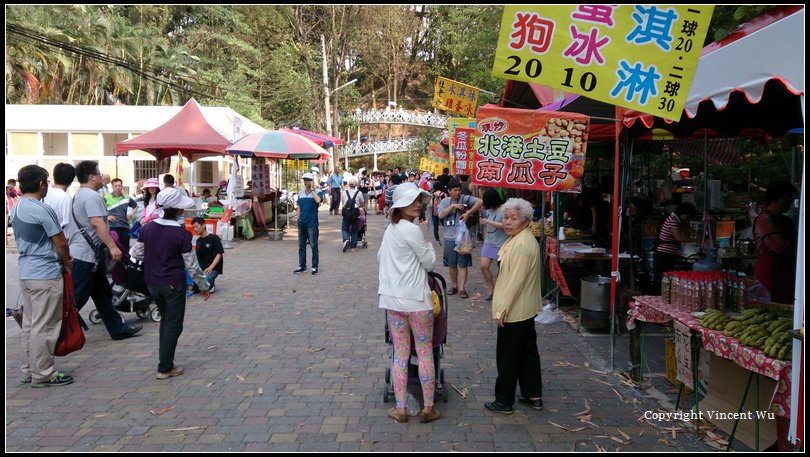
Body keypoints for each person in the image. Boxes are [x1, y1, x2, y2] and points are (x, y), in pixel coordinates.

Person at [131, 187, 210, 380]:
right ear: (179, 211)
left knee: (167, 321)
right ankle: (165, 367)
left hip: (152, 282)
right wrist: (204, 286)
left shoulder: (147, 228)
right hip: (173, 283)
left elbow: (136, 253)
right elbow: (192, 265)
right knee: (173, 324)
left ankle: (167, 361)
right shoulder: (181, 234)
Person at [377, 184, 440, 424]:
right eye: (412, 201)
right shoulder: (413, 230)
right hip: (417, 301)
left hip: (393, 301)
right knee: (424, 353)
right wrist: (430, 247)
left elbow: (380, 257)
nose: (418, 204)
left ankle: (401, 408)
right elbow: (430, 264)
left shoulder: (390, 230)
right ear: (399, 206)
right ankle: (428, 407)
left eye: (420, 200)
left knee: (400, 354)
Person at [10, 165, 74, 387]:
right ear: (41, 184)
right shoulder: (41, 208)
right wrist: (67, 261)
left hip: (27, 272)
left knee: (30, 324)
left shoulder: (17, 208)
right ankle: (43, 372)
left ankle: (29, 370)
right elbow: (61, 241)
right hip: (45, 273)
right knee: (44, 325)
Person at [66, 160, 142, 340]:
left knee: (102, 295)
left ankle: (118, 329)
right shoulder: (91, 196)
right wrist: (113, 246)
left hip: (91, 256)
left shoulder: (81, 195)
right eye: (99, 173)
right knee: (77, 297)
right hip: (85, 257)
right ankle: (60, 334)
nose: (101, 176)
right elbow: (97, 223)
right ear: (91, 176)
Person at [484, 198, 543, 415]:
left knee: (508, 356)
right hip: (524, 308)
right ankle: (532, 395)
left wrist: (501, 310)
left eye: (513, 218)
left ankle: (503, 401)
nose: (508, 222)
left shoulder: (522, 245)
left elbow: (514, 281)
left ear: (526, 221)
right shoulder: (521, 238)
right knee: (527, 353)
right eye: (506, 218)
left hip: (515, 310)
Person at [437, 179, 483, 299]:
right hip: (449, 237)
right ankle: (454, 286)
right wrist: (453, 206)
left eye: (458, 190)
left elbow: (480, 202)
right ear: (449, 191)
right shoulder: (444, 202)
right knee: (452, 264)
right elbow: (441, 215)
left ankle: (462, 288)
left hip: (464, 239)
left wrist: (469, 213)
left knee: (463, 264)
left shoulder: (465, 198)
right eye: (455, 190)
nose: (457, 192)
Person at [753, 181, 797, 303]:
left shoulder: (787, 220)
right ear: (774, 199)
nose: (789, 202)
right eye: (785, 199)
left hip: (787, 271)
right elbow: (778, 245)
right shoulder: (764, 219)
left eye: (790, 199)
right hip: (770, 271)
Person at [652, 202, 697, 294]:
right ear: (683, 213)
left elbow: (689, 228)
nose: (687, 219)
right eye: (687, 217)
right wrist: (695, 240)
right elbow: (679, 238)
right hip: (663, 255)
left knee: (665, 279)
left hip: (667, 254)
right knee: (663, 279)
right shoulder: (673, 221)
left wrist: (698, 235)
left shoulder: (677, 220)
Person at [479, 188, 507, 301]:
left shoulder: (504, 210)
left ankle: (501, 291)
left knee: (502, 270)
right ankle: (491, 289)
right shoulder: (487, 211)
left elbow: (505, 226)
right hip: (489, 242)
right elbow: (487, 228)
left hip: (502, 243)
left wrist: (488, 222)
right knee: (483, 266)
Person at [293, 172, 323, 275]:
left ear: (312, 181)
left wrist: (312, 190)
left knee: (313, 245)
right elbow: (299, 207)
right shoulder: (301, 193)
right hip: (302, 223)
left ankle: (315, 266)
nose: (306, 182)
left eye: (308, 180)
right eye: (305, 180)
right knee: (301, 246)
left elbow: (318, 200)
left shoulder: (317, 192)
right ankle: (302, 266)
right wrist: (298, 219)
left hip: (312, 223)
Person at [190, 217, 224, 293]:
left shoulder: (214, 238)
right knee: (192, 286)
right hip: (202, 269)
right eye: (193, 227)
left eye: (196, 226)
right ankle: (205, 285)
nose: (195, 229)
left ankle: (210, 284)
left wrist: (210, 267)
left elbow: (219, 254)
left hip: (213, 268)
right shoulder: (198, 241)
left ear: (203, 225)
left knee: (206, 281)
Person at [105, 178, 138, 251]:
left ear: (122, 186)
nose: (117, 187)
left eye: (119, 185)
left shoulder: (126, 197)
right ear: (112, 187)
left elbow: (135, 206)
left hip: (124, 226)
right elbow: (99, 209)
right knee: (113, 249)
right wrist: (107, 216)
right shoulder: (106, 197)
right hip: (112, 226)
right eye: (115, 186)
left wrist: (131, 215)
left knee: (125, 249)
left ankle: (125, 262)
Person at [43, 163, 76, 230]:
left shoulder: (43, 193)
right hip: (59, 238)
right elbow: (67, 225)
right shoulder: (66, 198)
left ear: (54, 176)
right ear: (71, 180)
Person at [341, 176, 365, 252]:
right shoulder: (359, 193)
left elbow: (343, 204)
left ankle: (346, 240)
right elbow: (362, 203)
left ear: (348, 184)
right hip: (355, 214)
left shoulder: (344, 192)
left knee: (344, 229)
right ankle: (353, 247)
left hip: (346, 214)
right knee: (354, 231)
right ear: (356, 185)